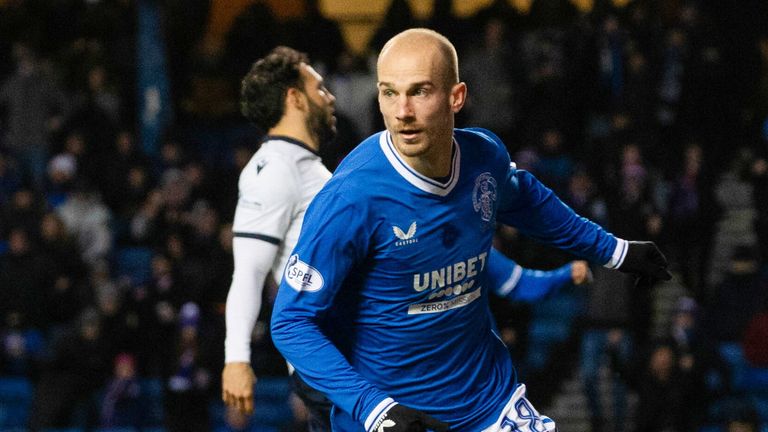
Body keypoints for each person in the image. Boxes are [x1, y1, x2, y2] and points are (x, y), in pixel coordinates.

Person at [270, 28, 670, 432]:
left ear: (456, 97)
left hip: (487, 403)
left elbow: (527, 201)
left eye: (420, 91)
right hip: (391, 418)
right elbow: (291, 322)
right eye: (390, 93)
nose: (402, 111)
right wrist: (375, 410)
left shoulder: (484, 157)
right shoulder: (350, 199)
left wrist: (616, 251)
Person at [221, 45, 595, 431]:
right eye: (319, 87)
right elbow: (249, 272)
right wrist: (236, 357)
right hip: (349, 365)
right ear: (294, 99)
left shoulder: (315, 168)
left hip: (387, 354)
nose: (330, 96)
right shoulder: (274, 173)